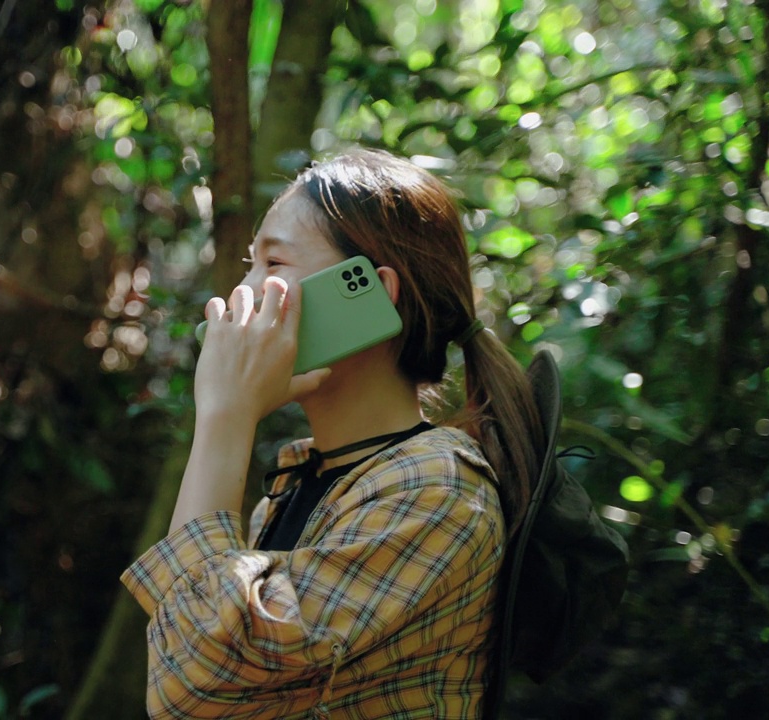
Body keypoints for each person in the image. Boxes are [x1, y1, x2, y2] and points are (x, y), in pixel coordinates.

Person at [120, 149, 544, 718]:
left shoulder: (437, 492)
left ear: (367, 289)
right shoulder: (305, 477)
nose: (239, 297)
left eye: (272, 266)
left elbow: (193, 683)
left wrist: (226, 413)